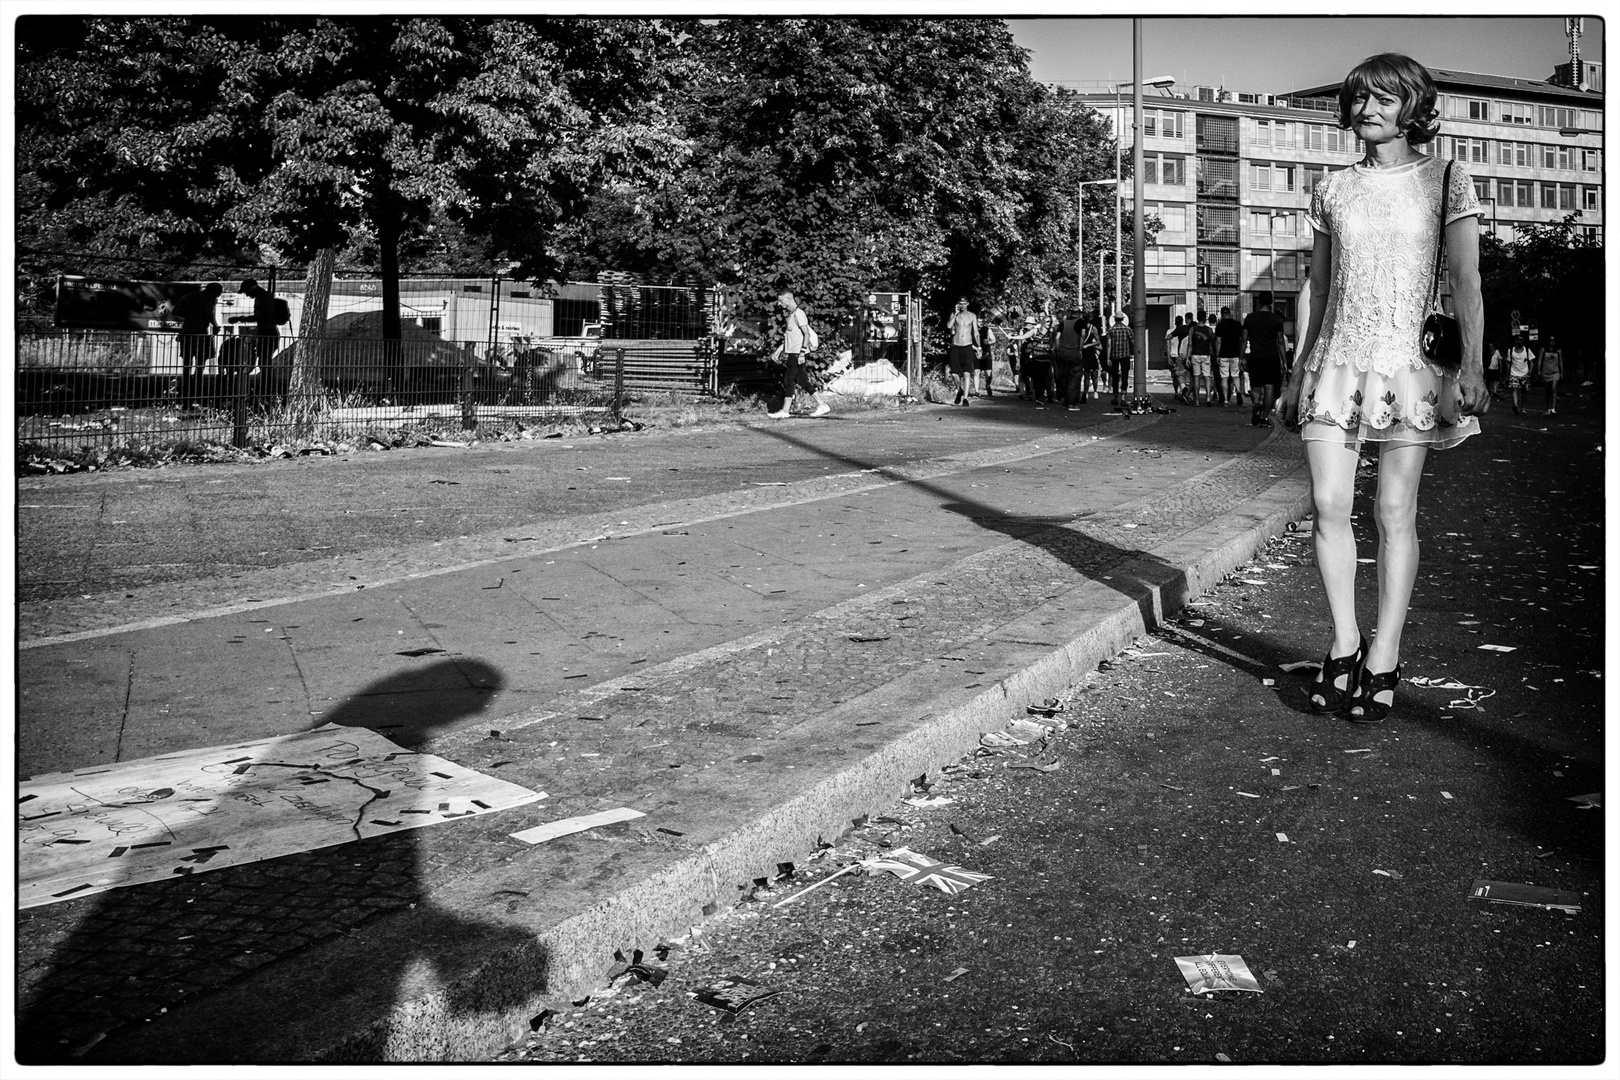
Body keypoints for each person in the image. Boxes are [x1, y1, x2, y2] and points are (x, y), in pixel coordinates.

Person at [1276, 52, 1488, 726]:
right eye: (1360, 97)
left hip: (1407, 366)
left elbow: (1465, 280)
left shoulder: (1447, 178)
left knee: (1394, 513)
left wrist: (1474, 363)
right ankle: (1343, 642)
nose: (1369, 109)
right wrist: (1297, 366)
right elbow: (1316, 284)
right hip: (1336, 361)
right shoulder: (1331, 189)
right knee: (1327, 503)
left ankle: (1385, 655)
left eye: (1385, 98)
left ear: (1412, 107)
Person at [768, 290, 832, 418]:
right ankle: (822, 405)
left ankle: (785, 411)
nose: (780, 304)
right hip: (794, 352)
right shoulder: (792, 316)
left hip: (798, 353)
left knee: (789, 380)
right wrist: (779, 351)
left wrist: (802, 353)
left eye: (781, 301)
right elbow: (791, 338)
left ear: (788, 299)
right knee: (802, 380)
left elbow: (806, 334)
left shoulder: (799, 314)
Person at [172, 282, 222, 410]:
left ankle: (184, 399)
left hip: (187, 333)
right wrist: (215, 326)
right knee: (199, 368)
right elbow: (209, 314)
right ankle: (195, 398)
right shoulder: (210, 299)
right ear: (215, 292)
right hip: (201, 334)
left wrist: (190, 315)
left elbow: (176, 310)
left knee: (186, 367)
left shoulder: (189, 296)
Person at [1241, 292, 1287, 425]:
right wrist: (1284, 361)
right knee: (1269, 389)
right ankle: (1265, 417)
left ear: (1259, 302)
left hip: (1255, 357)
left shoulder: (1250, 318)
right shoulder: (1276, 320)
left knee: (1255, 387)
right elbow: (1280, 341)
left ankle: (1256, 405)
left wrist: (1242, 357)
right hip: (1271, 357)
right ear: (1271, 302)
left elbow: (1244, 339)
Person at [237, 278, 285, 374]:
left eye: (247, 291)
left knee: (264, 362)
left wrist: (242, 319)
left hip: (268, 333)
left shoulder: (265, 298)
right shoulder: (261, 297)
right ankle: (267, 383)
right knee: (264, 361)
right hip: (265, 332)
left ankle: (268, 384)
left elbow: (263, 316)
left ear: (253, 288)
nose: (247, 295)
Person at [946, 297, 982, 406]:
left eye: (964, 303)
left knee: (967, 373)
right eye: (960, 303)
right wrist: (955, 314)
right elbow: (948, 326)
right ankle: (959, 390)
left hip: (967, 346)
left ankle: (965, 398)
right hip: (956, 345)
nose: (962, 306)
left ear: (967, 304)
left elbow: (976, 332)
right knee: (954, 374)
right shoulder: (955, 315)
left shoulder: (972, 316)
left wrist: (979, 347)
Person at [1053, 308, 1086, 410]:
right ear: (1079, 313)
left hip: (1064, 353)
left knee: (1065, 377)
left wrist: (1058, 350)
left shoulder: (1064, 323)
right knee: (1075, 378)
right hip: (1074, 352)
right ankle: (1072, 403)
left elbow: (1057, 337)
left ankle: (1065, 400)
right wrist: (1080, 349)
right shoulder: (1081, 322)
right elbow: (1083, 334)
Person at [1021, 314, 1055, 406]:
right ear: (1043, 322)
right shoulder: (1036, 331)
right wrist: (1012, 337)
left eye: (1050, 322)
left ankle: (1040, 396)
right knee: (1036, 378)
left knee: (1043, 378)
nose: (1049, 323)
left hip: (1046, 359)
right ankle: (1037, 395)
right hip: (1036, 358)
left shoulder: (1051, 333)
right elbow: (1023, 336)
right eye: (1047, 321)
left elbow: (1053, 344)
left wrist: (1052, 349)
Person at [1215, 305, 1245, 406]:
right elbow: (1242, 340)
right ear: (1230, 313)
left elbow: (1218, 341)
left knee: (1224, 377)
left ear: (1221, 314)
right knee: (1236, 375)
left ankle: (1226, 401)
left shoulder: (1220, 325)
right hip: (1235, 354)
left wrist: (1217, 355)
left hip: (1223, 354)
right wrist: (1242, 354)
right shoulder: (1237, 324)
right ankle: (1238, 392)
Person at [1104, 311, 1133, 411]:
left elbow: (1108, 344)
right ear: (1123, 319)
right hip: (1125, 355)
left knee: (1115, 376)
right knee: (1125, 375)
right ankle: (1124, 398)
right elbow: (1132, 341)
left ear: (1115, 319)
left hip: (1114, 356)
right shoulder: (1127, 329)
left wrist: (1108, 357)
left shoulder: (1111, 330)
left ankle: (1115, 397)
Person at [1189, 311, 1218, 406]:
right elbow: (1212, 342)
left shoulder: (1192, 329)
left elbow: (1190, 344)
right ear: (1205, 318)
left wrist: (1187, 357)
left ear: (1197, 318)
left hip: (1195, 355)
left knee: (1196, 377)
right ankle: (1208, 398)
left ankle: (1197, 401)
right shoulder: (1209, 330)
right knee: (1207, 377)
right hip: (1206, 355)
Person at [1506, 335, 1533, 414]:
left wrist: (1530, 370)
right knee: (1515, 389)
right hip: (1514, 373)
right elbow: (1508, 363)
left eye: (1522, 339)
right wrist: (1507, 374)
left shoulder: (1527, 350)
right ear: (1516, 341)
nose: (1521, 341)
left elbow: (1531, 361)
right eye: (1519, 340)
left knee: (1525, 391)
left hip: (1525, 373)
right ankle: (1515, 404)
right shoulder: (1511, 351)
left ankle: (1523, 407)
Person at [1078, 314, 1102, 404]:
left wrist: (1088, 345)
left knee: (1094, 373)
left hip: (1090, 352)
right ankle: (1085, 392)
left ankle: (1095, 391)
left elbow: (1098, 341)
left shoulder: (1093, 328)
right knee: (1086, 374)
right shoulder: (1080, 328)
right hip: (1083, 351)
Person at [1163, 315, 1186, 403]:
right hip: (1181, 354)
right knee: (1181, 374)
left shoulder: (1170, 331)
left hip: (1173, 354)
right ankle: (1181, 390)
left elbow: (1167, 345)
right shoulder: (1184, 330)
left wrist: (1168, 357)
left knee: (1174, 376)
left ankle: (1176, 391)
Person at [1539, 335, 1563, 414]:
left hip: (1555, 372)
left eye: (1553, 341)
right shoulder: (1543, 350)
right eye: (1550, 341)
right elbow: (1540, 360)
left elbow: (1560, 361)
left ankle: (1553, 408)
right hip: (1546, 372)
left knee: (1553, 388)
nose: (1552, 342)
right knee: (1547, 390)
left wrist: (1561, 372)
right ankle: (1549, 408)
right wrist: (1539, 370)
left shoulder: (1558, 350)